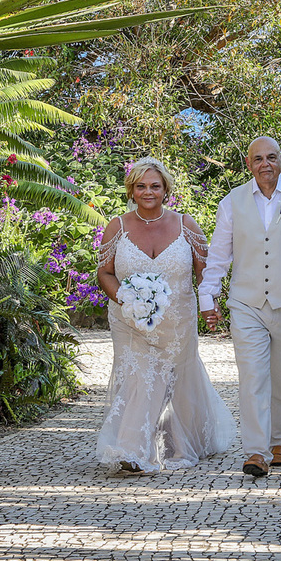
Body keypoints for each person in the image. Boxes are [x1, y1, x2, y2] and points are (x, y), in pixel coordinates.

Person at [199, 136, 281, 477]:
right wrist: (207, 296)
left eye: (271, 157)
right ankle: (256, 453)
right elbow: (218, 255)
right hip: (247, 303)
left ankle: (280, 443)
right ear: (249, 164)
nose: (265, 164)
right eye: (258, 159)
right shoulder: (232, 202)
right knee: (253, 377)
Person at [95, 157, 236, 474]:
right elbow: (104, 273)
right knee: (138, 380)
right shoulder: (117, 226)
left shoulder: (187, 226)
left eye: (155, 186)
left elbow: (205, 274)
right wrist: (125, 297)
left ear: (165, 189)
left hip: (178, 322)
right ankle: (133, 450)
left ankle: (177, 442)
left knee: (176, 382)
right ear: (132, 190)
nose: (148, 192)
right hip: (129, 322)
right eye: (141, 186)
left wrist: (209, 306)